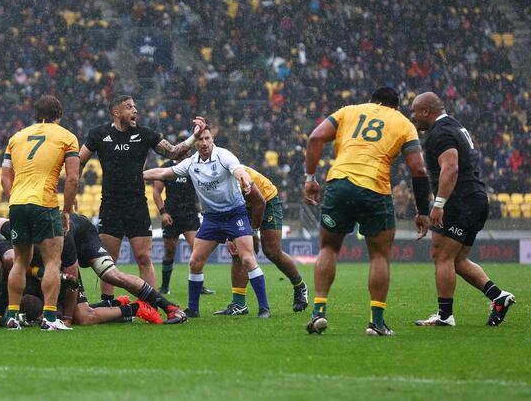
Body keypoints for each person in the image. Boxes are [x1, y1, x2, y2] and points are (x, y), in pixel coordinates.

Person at [303, 87, 430, 336]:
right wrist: (423, 211)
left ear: (372, 100)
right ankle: (376, 322)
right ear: (395, 106)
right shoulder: (403, 123)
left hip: (338, 184)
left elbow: (315, 138)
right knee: (379, 255)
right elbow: (419, 170)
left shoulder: (349, 111)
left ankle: (318, 312)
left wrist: (310, 178)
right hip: (374, 189)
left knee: (328, 248)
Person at [80, 95, 204, 304]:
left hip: (137, 206)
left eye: (135, 107)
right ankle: (107, 302)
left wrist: (195, 136)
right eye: (129, 107)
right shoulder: (98, 134)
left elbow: (173, 153)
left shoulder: (145, 134)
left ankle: (151, 304)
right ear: (116, 112)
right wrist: (73, 191)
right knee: (107, 261)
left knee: (144, 258)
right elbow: (79, 161)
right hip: (110, 206)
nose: (135, 110)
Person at [143, 125, 271, 318]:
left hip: (235, 214)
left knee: (247, 258)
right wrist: (137, 175)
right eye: (200, 140)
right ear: (195, 144)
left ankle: (264, 308)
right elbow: (162, 173)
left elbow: (238, 171)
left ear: (212, 140)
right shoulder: (191, 163)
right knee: (195, 261)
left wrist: (245, 181)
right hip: (211, 218)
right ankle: (193, 309)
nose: (204, 143)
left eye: (207, 139)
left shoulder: (224, 156)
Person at [410, 92, 515, 327]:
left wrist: (438, 204)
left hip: (460, 202)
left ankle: (445, 316)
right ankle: (498, 297)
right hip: (475, 199)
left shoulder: (441, 133)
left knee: (441, 255)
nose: (412, 117)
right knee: (457, 260)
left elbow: (451, 169)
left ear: (426, 111)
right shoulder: (456, 126)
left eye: (414, 112)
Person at [0, 215, 188, 323]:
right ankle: (125, 306)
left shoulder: (61, 240)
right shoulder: (22, 230)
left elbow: (71, 280)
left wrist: (68, 319)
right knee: (78, 315)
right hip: (56, 260)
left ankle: (168, 308)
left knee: (109, 278)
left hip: (83, 235)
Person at [2, 94, 80, 331]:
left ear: (36, 115)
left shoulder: (16, 137)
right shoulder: (67, 136)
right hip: (44, 203)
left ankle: (12, 316)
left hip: (17, 203)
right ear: (59, 115)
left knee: (20, 261)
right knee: (52, 262)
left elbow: (5, 176)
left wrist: (15, 199)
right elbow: (73, 178)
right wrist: (66, 211)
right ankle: (49, 317)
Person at [214, 165, 308, 315]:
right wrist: (230, 237)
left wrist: (252, 233)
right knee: (238, 252)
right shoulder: (211, 179)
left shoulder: (235, 174)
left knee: (272, 251)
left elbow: (260, 203)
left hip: (266, 200)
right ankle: (239, 305)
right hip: (243, 206)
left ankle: (299, 286)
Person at [152, 159, 214, 296]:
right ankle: (164, 286)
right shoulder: (166, 167)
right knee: (170, 251)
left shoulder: (194, 165)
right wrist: (163, 213)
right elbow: (156, 191)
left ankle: (199, 285)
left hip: (189, 215)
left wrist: (204, 205)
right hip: (171, 216)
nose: (184, 150)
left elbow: (205, 186)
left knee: (196, 248)